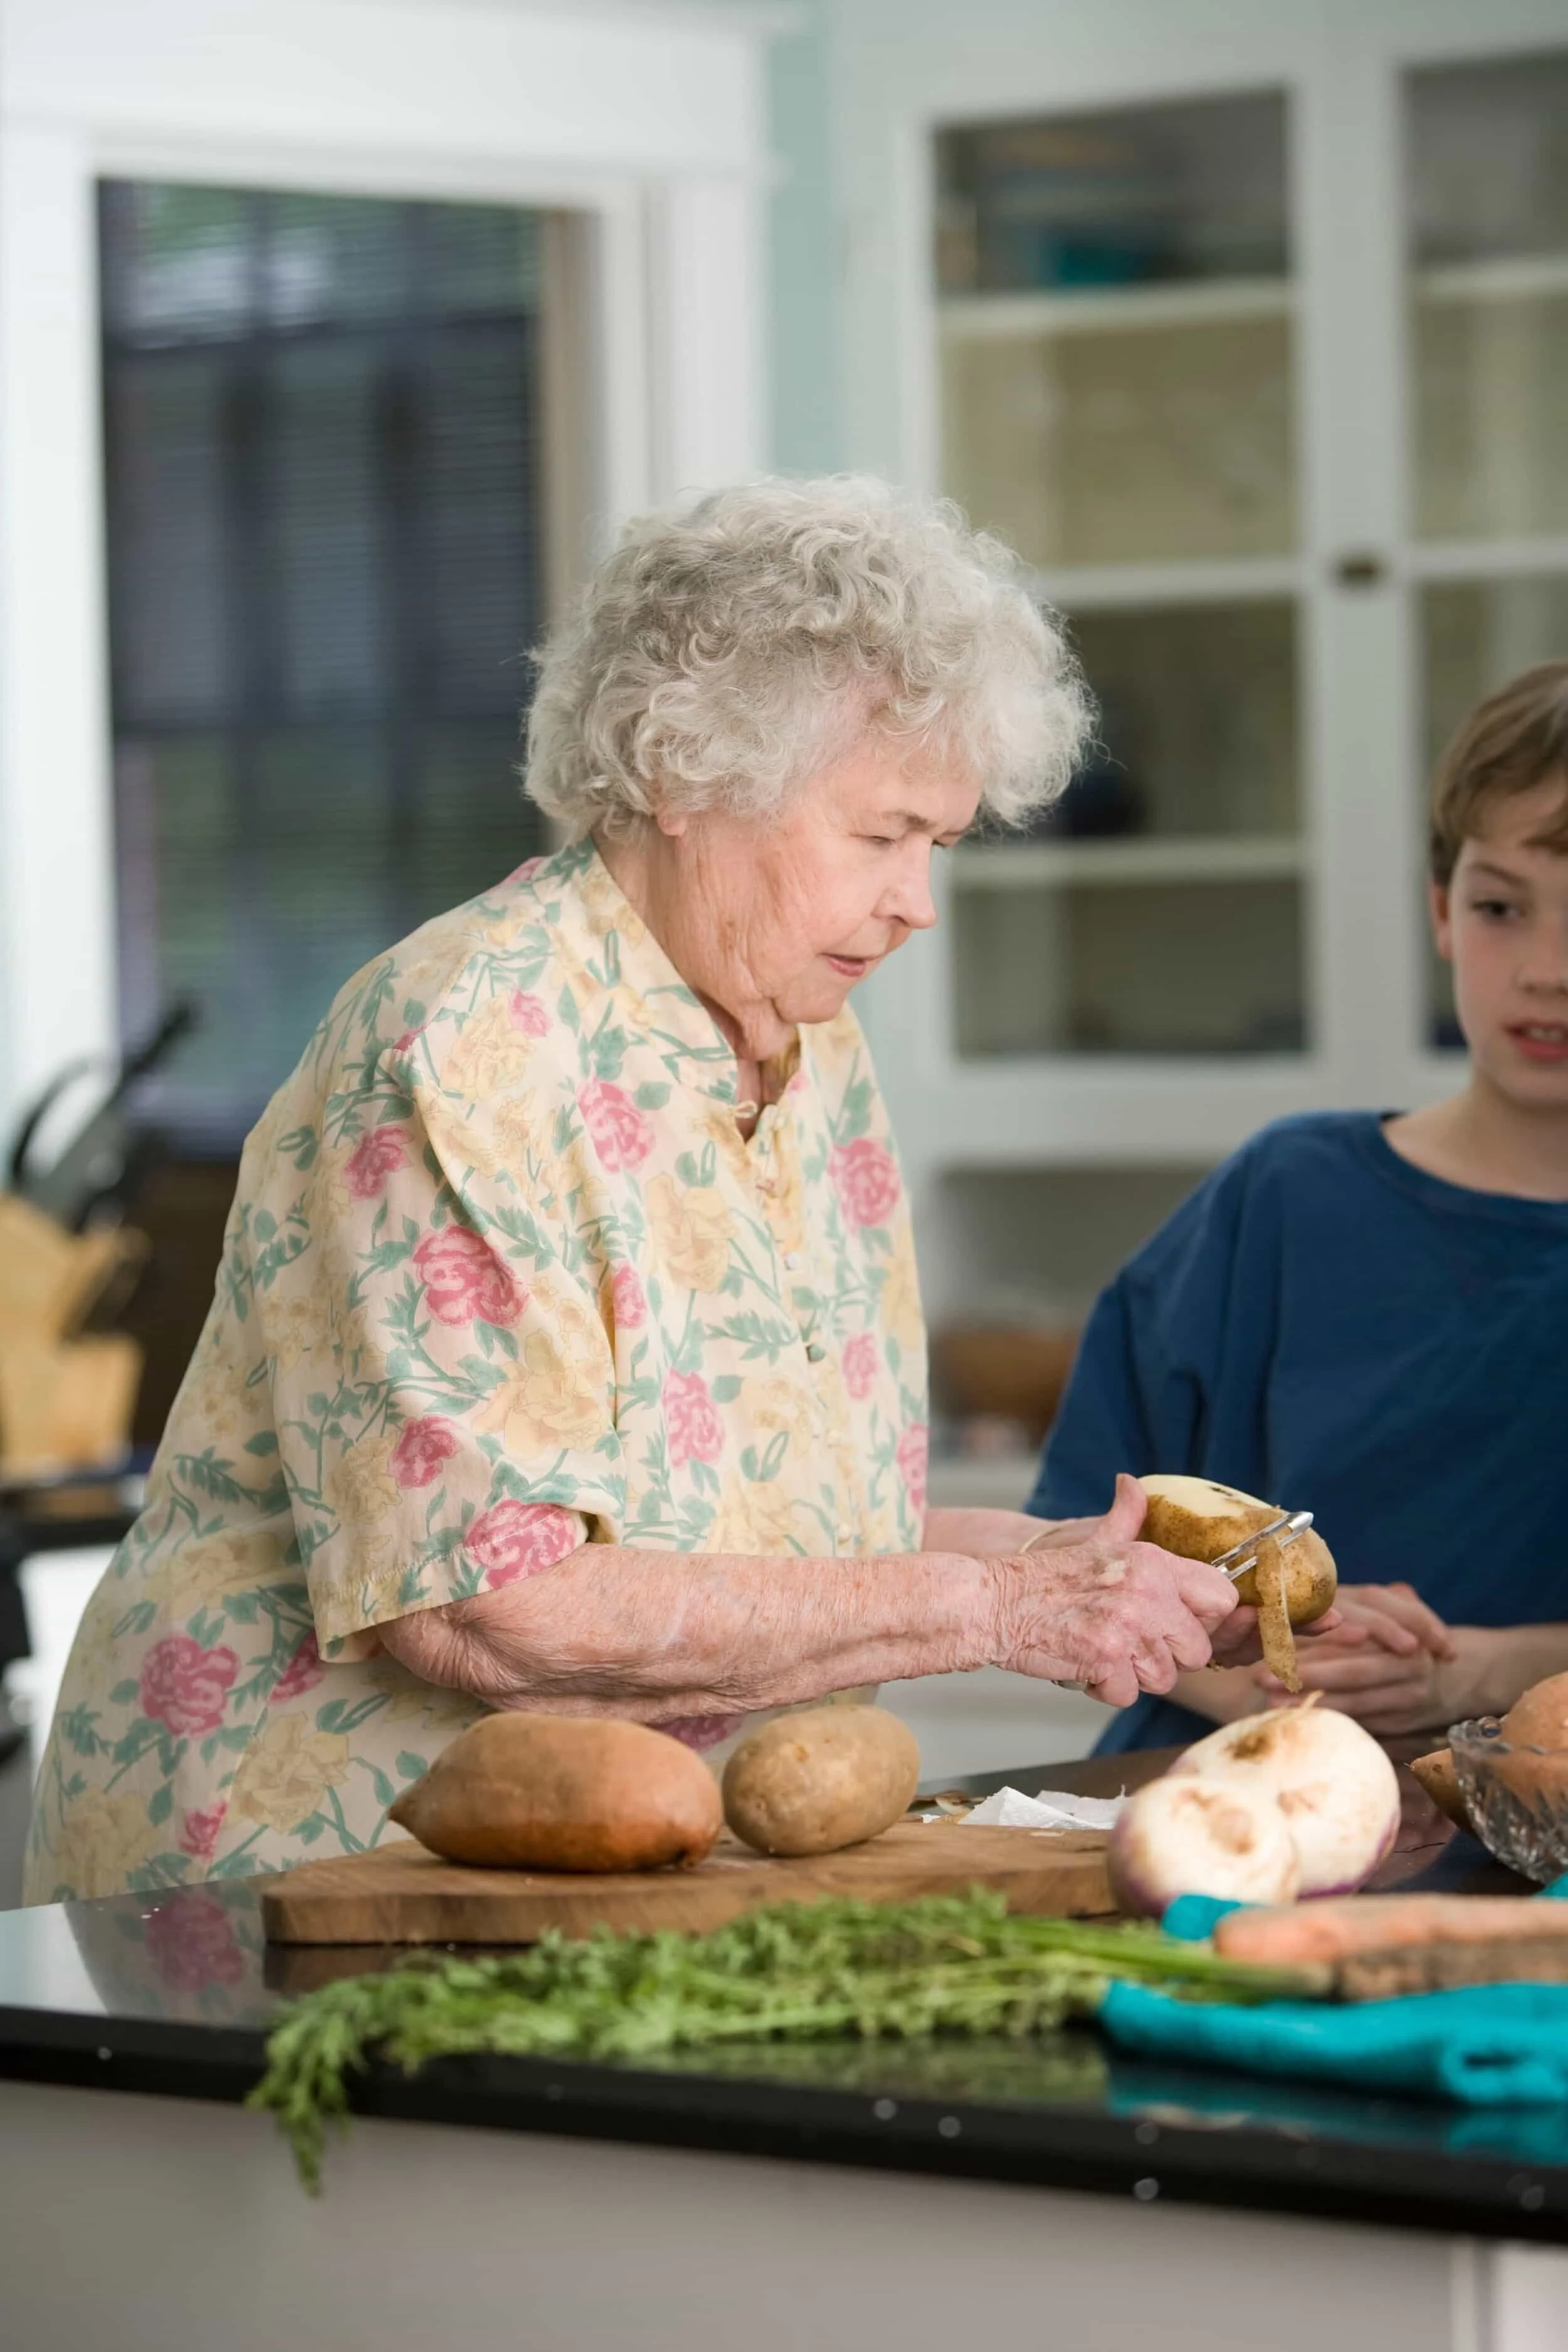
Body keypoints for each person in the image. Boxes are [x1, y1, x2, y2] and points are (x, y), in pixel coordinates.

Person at [26, 477, 1268, 1903]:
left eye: (941, 841)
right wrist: (995, 1605)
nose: (919, 900)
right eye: (877, 837)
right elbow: (494, 1608)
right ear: (686, 776)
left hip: (643, 1866)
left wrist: (1093, 1571)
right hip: (299, 1880)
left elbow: (789, 1524)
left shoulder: (806, 1039)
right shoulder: (466, 1043)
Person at [1030, 659, 1568, 1756]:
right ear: (1441, 913)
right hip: (1217, 1834)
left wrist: (1477, 1674)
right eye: (1502, 907)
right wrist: (1272, 1680)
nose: (1546, 971)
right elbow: (1068, 1551)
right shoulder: (1282, 1200)